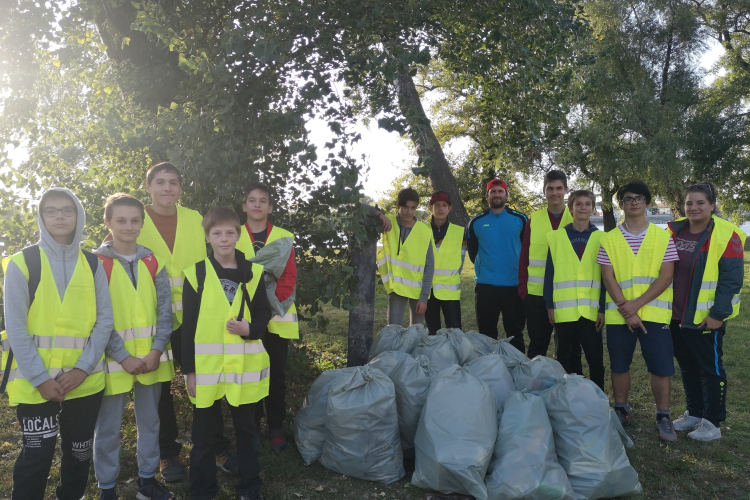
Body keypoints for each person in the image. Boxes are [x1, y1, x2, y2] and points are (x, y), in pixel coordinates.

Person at [2, 188, 114, 500]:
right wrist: (40, 379)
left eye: (67, 209)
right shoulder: (22, 263)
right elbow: (16, 327)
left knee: (79, 455)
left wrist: (81, 369)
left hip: (84, 382)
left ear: (78, 215)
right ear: (41, 217)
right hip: (35, 384)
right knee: (36, 458)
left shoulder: (93, 265)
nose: (60, 216)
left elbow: (104, 321)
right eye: (51, 211)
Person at [129, 162, 216, 480]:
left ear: (181, 188)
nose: (168, 188)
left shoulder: (194, 218)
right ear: (148, 186)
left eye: (174, 183)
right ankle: (168, 453)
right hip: (154, 315)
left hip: (194, 312)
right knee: (160, 387)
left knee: (204, 379)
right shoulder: (135, 218)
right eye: (160, 182)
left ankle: (213, 444)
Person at [182, 207, 272, 500]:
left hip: (243, 367)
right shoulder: (196, 274)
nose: (224, 239)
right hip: (207, 369)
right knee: (204, 437)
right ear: (207, 237)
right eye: (216, 233)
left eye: (230, 233)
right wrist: (189, 371)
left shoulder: (254, 273)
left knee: (247, 431)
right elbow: (188, 327)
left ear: (238, 234)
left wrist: (250, 330)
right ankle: (202, 491)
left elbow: (262, 316)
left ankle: (250, 487)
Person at [93, 194, 175, 500]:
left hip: (152, 359)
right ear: (108, 223)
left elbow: (165, 312)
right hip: (113, 361)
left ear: (143, 222)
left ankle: (147, 481)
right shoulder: (95, 263)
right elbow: (96, 316)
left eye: (135, 220)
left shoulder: (153, 261)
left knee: (151, 423)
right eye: (121, 220)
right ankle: (107, 488)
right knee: (109, 429)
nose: (129, 226)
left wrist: (156, 350)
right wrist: (123, 355)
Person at [598, 180, 679, 442]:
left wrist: (635, 305)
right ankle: (621, 411)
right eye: (628, 198)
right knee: (620, 364)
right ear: (621, 204)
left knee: (661, 367)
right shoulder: (608, 239)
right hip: (620, 315)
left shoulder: (662, 236)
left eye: (639, 198)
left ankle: (663, 416)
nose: (634, 202)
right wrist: (627, 310)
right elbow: (608, 278)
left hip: (654, 314)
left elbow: (666, 277)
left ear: (647, 202)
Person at [667, 182, 745, 441]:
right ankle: (694, 412)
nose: (694, 207)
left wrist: (718, 314)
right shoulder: (674, 232)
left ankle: (713, 422)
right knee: (687, 366)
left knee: (710, 368)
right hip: (676, 315)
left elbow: (731, 279)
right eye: (689, 203)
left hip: (705, 318)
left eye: (700, 203)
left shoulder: (726, 234)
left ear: (712, 206)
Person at [235, 182, 298, 452]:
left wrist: (273, 304)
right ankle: (253, 424)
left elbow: (289, 275)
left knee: (275, 374)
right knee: (249, 371)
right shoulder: (233, 233)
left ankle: (275, 426)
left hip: (277, 317)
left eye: (263, 200)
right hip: (245, 315)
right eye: (252, 200)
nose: (257, 204)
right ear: (244, 206)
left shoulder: (283, 235)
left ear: (270, 207)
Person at [544, 190, 605, 390]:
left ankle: (598, 398)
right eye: (578, 204)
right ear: (570, 208)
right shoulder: (557, 237)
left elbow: (606, 277)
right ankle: (568, 396)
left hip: (590, 310)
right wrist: (549, 305)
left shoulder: (601, 238)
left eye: (588, 204)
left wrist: (602, 308)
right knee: (564, 357)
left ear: (593, 208)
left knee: (595, 357)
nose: (583, 208)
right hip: (564, 309)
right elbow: (549, 275)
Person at [466, 179, 528, 351]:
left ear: (506, 195)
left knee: (515, 333)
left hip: (514, 285)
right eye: (493, 191)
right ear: (487, 196)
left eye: (500, 191)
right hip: (486, 286)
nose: (497, 194)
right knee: (486, 335)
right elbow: (473, 252)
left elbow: (526, 250)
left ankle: (517, 369)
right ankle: (489, 371)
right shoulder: (475, 222)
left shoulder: (521, 219)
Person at [519, 169, 574, 359]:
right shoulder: (533, 219)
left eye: (559, 188)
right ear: (544, 191)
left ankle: (565, 385)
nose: (554, 193)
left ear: (566, 190)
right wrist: (523, 291)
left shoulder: (577, 218)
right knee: (537, 346)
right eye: (550, 188)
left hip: (567, 294)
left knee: (567, 348)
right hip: (536, 294)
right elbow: (524, 256)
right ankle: (534, 385)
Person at [373, 188, 435, 326]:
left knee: (417, 332)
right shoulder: (388, 222)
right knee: (393, 329)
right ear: (398, 205)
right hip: (396, 288)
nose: (409, 212)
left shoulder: (425, 231)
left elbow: (430, 265)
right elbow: (362, 208)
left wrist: (424, 298)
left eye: (413, 208)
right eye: (406, 207)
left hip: (417, 290)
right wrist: (379, 215)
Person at [424, 191, 466, 334]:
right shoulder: (422, 231)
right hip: (428, 291)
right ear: (431, 208)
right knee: (432, 331)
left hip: (450, 291)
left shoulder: (460, 232)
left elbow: (460, 262)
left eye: (444, 205)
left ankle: (456, 356)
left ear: (450, 208)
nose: (440, 208)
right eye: (436, 205)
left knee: (455, 331)